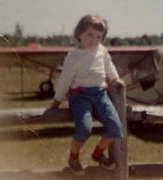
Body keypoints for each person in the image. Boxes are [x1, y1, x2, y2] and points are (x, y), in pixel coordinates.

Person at [49, 14, 125, 176]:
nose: (94, 40)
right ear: (79, 33)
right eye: (89, 34)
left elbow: (109, 65)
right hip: (80, 96)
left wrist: (115, 78)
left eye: (99, 36)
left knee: (116, 129)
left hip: (100, 94)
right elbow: (65, 80)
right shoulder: (73, 57)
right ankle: (73, 158)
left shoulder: (101, 50)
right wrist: (57, 100)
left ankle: (98, 153)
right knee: (84, 129)